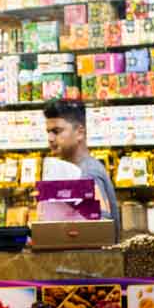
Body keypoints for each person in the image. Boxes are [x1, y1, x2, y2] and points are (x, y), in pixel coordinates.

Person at [42, 100, 120, 240]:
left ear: (79, 133)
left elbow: (100, 227)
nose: (50, 138)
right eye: (48, 132)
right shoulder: (74, 170)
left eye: (57, 131)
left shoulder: (87, 173)